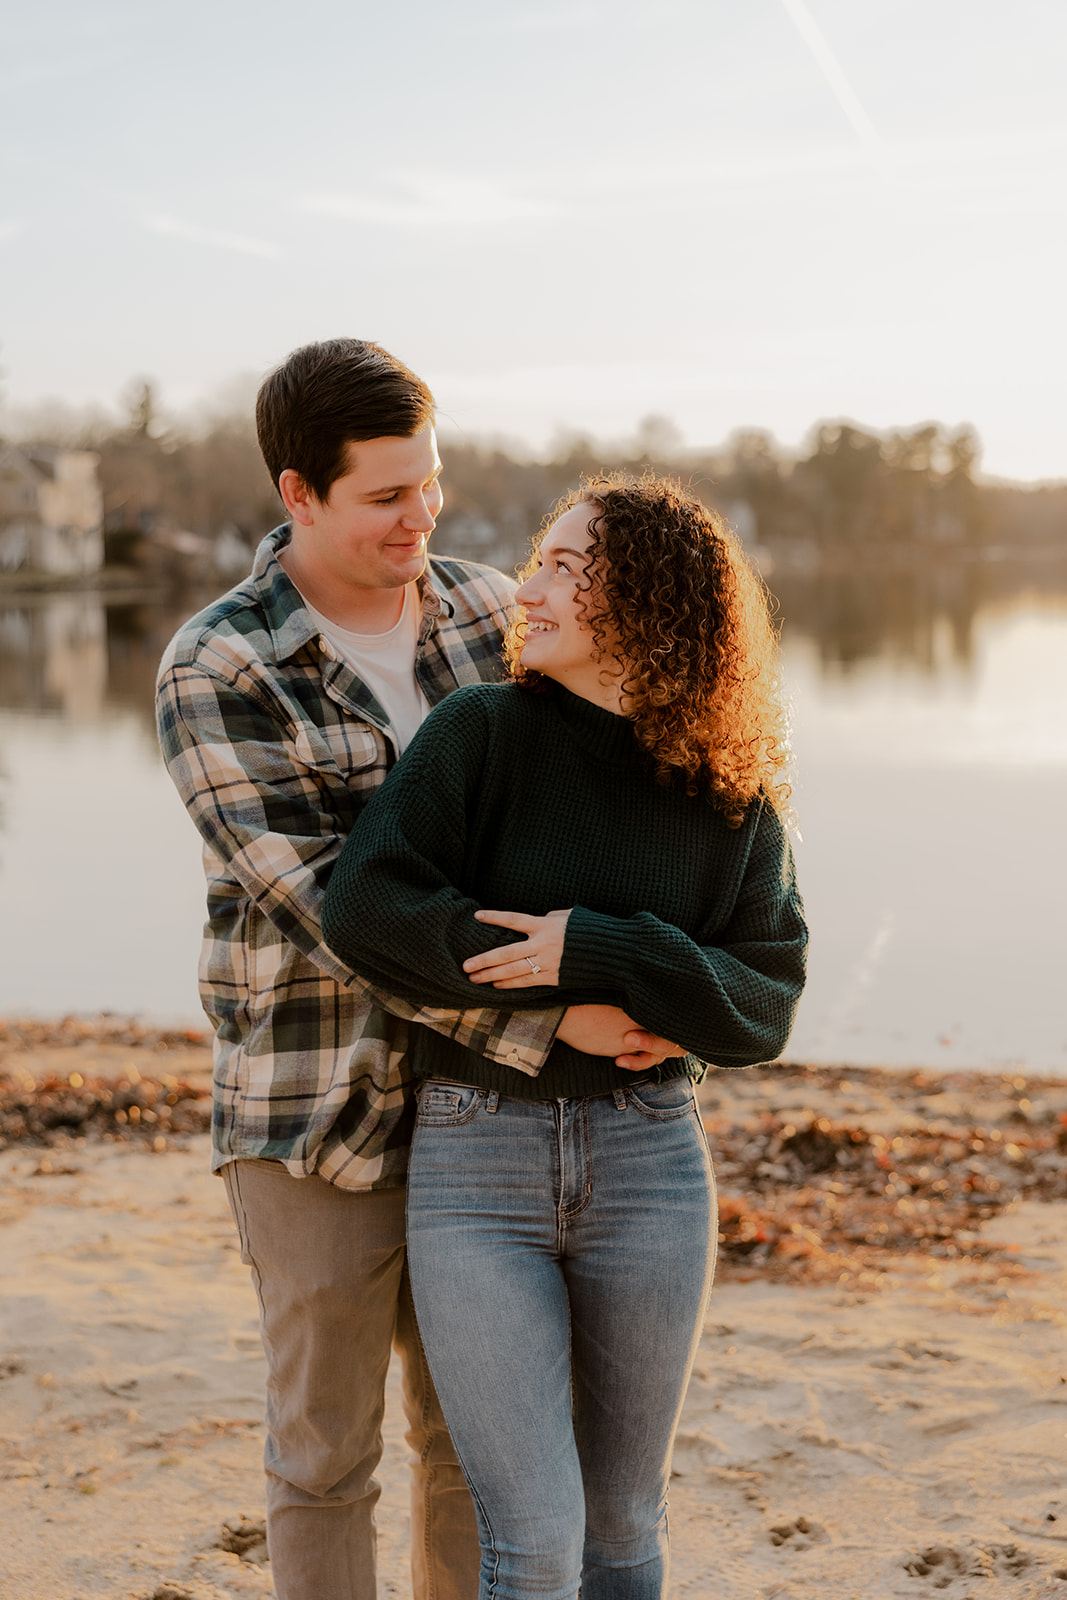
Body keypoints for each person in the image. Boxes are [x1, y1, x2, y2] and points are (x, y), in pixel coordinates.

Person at [155, 339, 684, 1600]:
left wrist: (665, 975)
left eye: (428, 482)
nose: (421, 516)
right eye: (385, 495)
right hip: (314, 1111)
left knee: (474, 1454)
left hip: (484, 1123)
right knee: (324, 1456)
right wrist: (564, 1022)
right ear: (298, 494)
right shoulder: (217, 667)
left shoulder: (494, 614)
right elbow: (336, 911)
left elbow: (605, 802)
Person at [321, 474, 809, 1600]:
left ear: (641, 602)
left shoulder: (724, 791)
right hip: (475, 1160)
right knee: (534, 1537)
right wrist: (544, 992)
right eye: (537, 561)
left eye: (560, 567)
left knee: (624, 1525)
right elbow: (368, 909)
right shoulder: (478, 733)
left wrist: (599, 950)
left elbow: (764, 999)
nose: (525, 591)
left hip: (649, 1164)